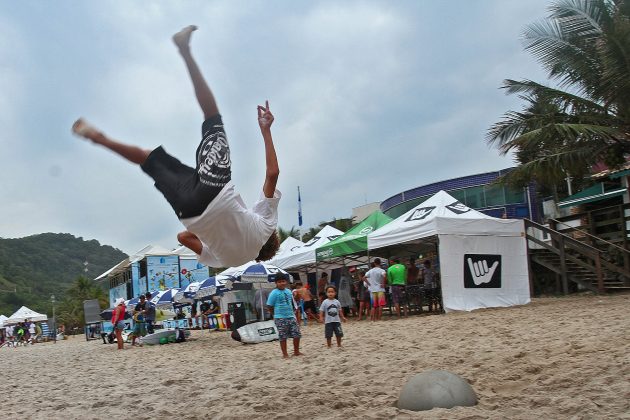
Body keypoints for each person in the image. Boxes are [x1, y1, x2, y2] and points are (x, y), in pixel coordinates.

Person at [72, 25, 282, 269]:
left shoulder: (266, 225)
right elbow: (182, 238)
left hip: (216, 191)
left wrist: (266, 130)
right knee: (147, 158)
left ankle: (185, 49)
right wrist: (210, 233)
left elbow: (273, 174)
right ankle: (99, 139)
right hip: (190, 214)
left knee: (212, 117)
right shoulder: (226, 261)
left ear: (272, 238)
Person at [266, 273, 303, 358]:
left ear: (286, 282)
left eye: (283, 281)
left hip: (291, 316)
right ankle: (285, 354)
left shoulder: (288, 291)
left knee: (297, 334)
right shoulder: (274, 293)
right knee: (283, 336)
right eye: (279, 282)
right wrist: (274, 314)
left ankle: (296, 352)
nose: (282, 283)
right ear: (276, 283)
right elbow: (269, 305)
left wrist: (297, 297)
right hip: (280, 317)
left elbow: (292, 303)